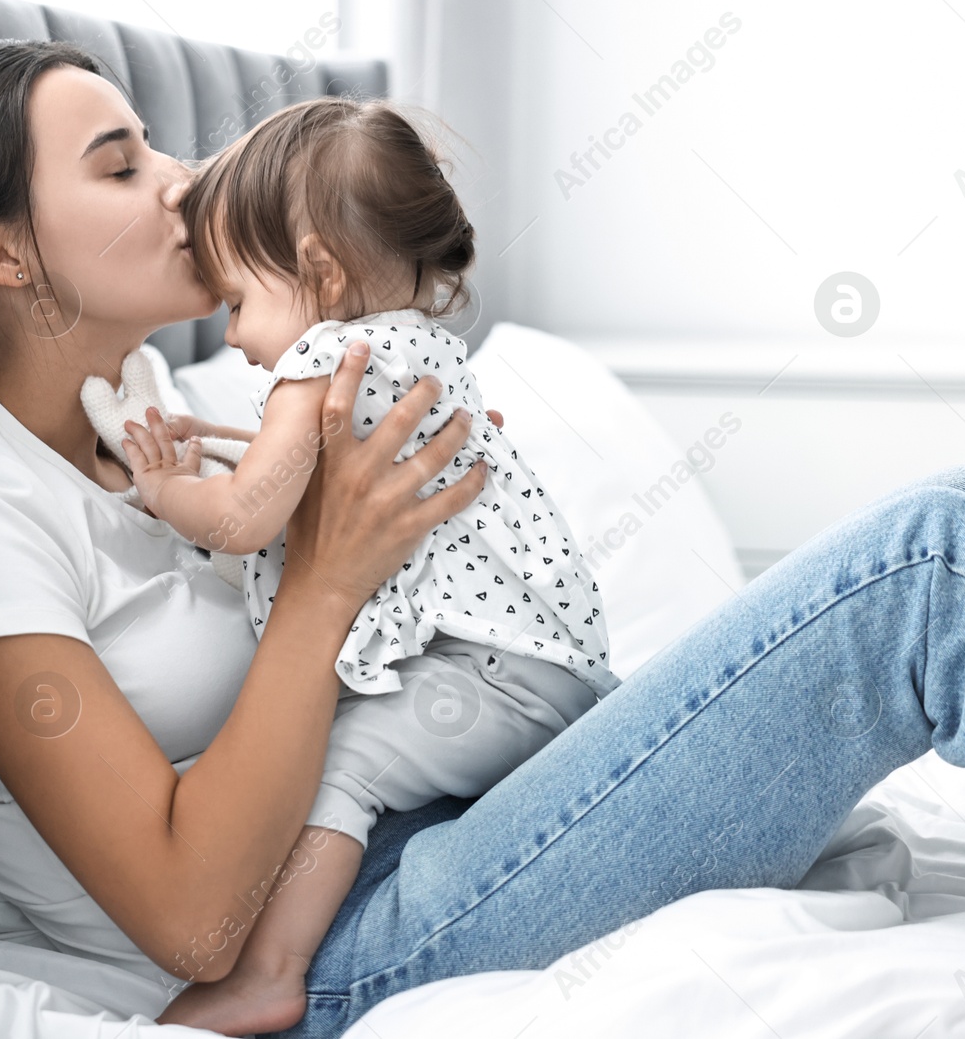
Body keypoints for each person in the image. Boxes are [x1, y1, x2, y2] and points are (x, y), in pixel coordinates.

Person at [0, 37, 965, 1039]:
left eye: (159, 142)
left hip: (451, 810)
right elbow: (195, 925)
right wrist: (327, 580)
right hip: (341, 936)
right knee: (932, 563)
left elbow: (315, 461)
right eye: (120, 167)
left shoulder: (149, 402)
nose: (181, 178)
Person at [108, 97, 621, 1032]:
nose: (229, 338)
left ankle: (270, 971)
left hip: (491, 678)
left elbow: (245, 517)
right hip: (551, 670)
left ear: (317, 270)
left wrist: (165, 483)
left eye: (236, 302)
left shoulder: (324, 358)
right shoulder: (423, 347)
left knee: (339, 765)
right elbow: (305, 482)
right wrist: (229, 445)